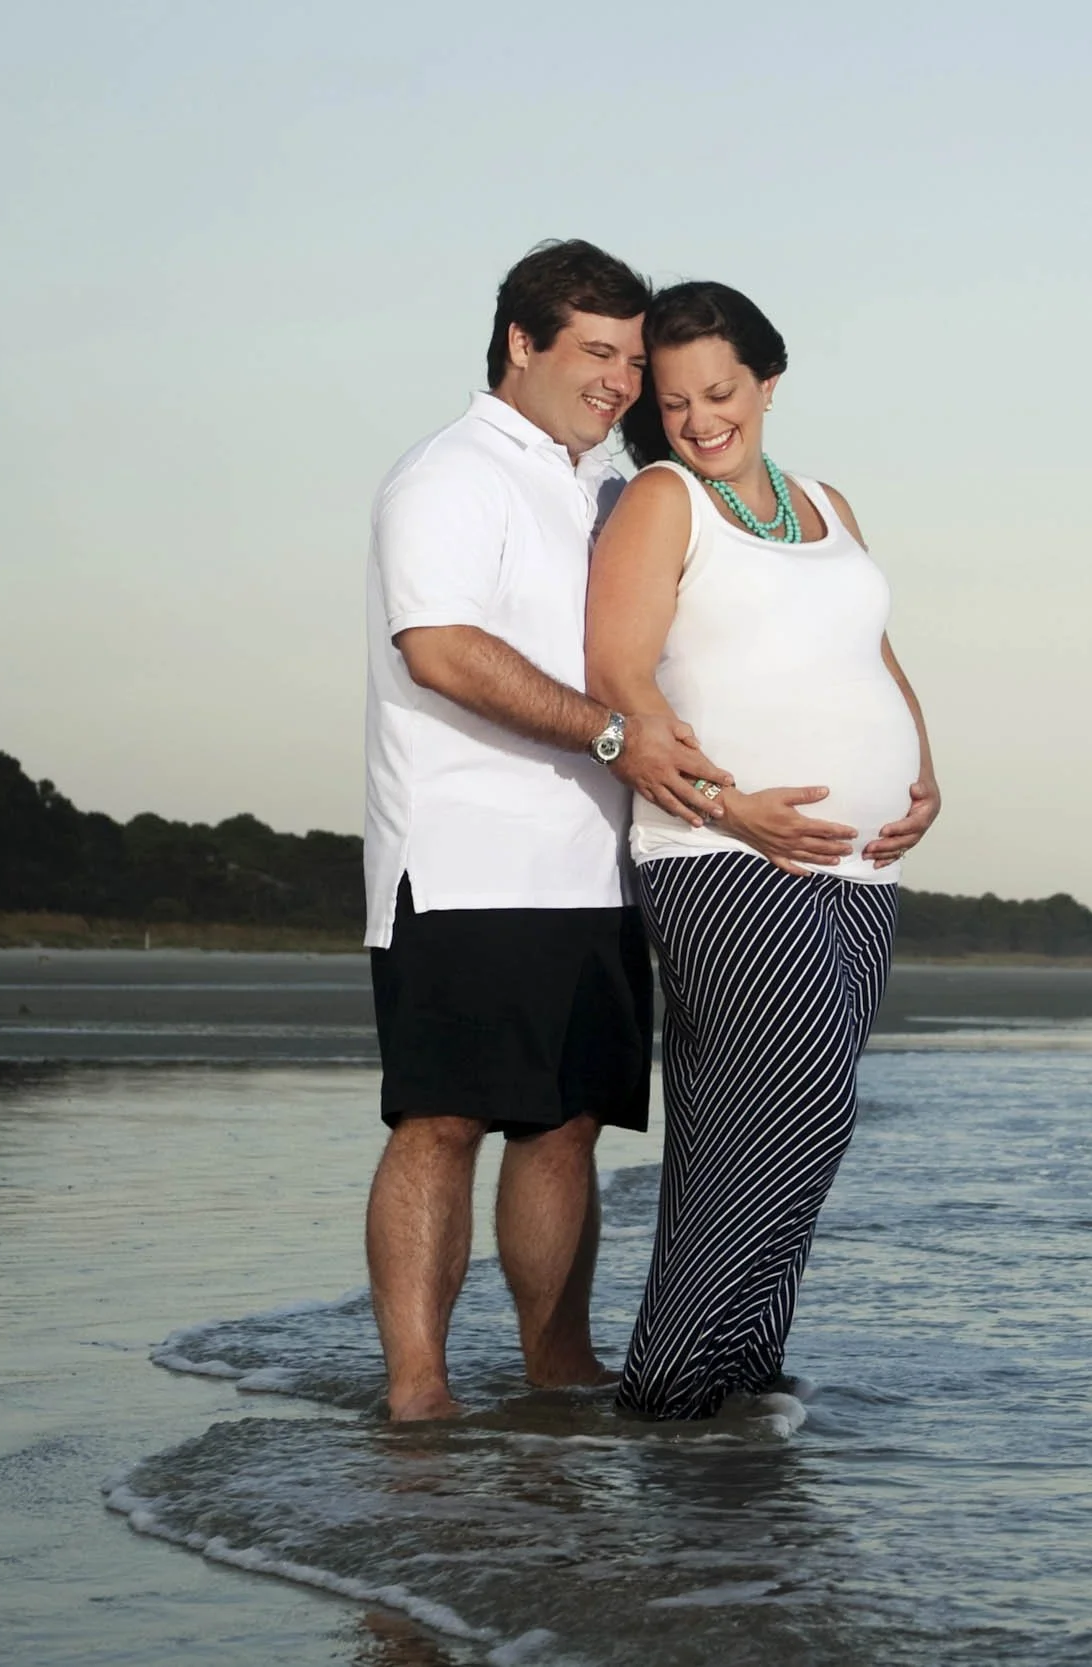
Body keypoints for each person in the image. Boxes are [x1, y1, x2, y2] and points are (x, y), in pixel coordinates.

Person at [361, 240, 735, 1423]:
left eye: (633, 357)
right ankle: (419, 1387)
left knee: (567, 1123)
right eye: (596, 352)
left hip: (598, 864)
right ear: (519, 344)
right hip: (464, 856)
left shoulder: (605, 491)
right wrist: (616, 738)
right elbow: (443, 647)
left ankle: (557, 1362)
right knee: (443, 1118)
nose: (621, 381)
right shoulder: (450, 473)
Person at [586, 281, 942, 1420]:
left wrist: (922, 771)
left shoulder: (825, 501)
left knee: (778, 1118)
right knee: (792, 1112)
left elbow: (871, 656)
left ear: (768, 382)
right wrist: (732, 810)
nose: (699, 418)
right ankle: (670, 1389)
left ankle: (737, 1373)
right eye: (677, 398)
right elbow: (620, 680)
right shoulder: (661, 498)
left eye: (722, 391)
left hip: (860, 866)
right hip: (721, 857)